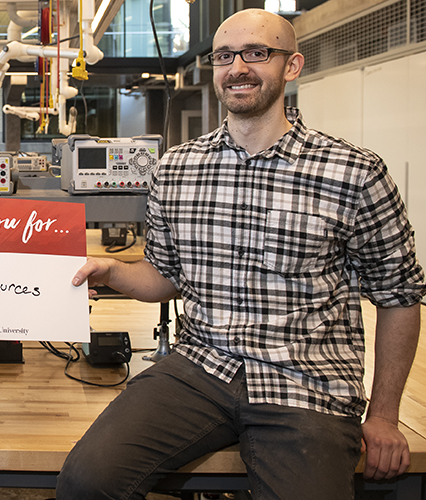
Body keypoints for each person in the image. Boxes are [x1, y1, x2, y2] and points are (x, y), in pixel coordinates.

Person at [56, 8, 424, 500]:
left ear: (291, 66)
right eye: (224, 56)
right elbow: (164, 277)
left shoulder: (353, 173)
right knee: (86, 481)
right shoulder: (177, 169)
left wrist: (382, 415)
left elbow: (398, 296)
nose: (238, 68)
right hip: (200, 368)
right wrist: (113, 271)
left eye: (257, 53)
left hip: (306, 384)